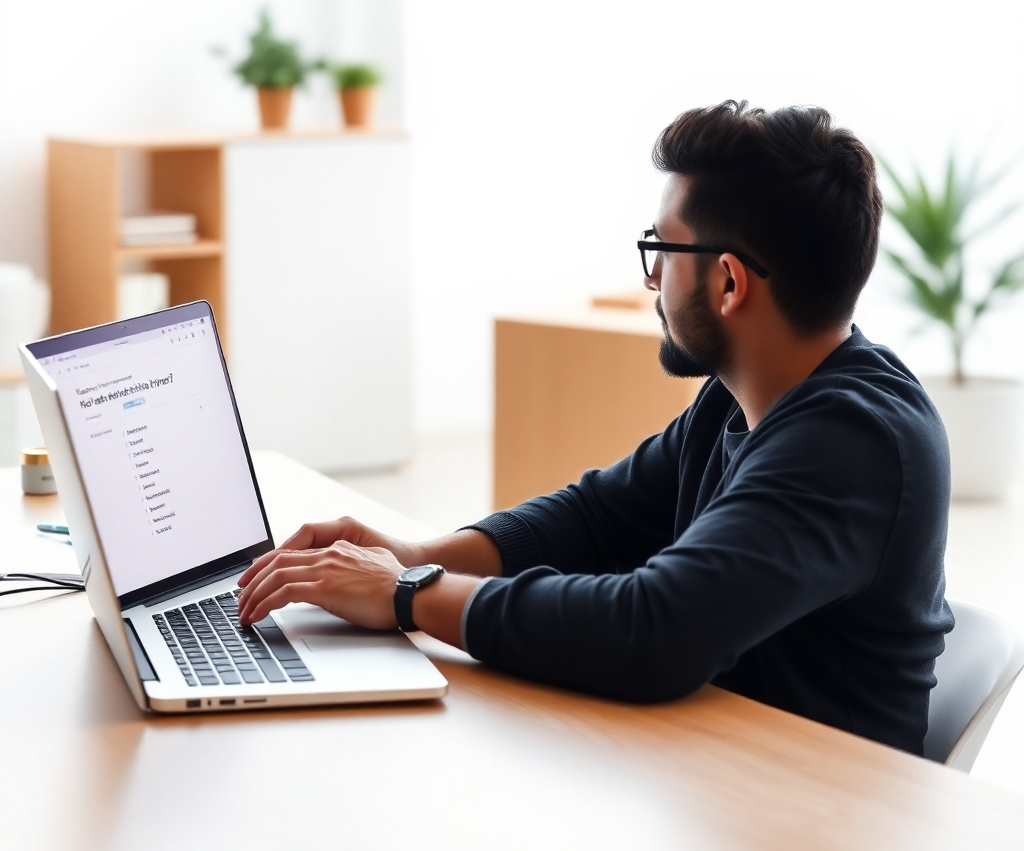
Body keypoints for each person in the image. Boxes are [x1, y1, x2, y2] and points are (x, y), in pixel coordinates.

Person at [238, 100, 953, 755]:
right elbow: (597, 518)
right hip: (720, 774)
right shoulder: (740, 398)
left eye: (661, 252)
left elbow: (654, 630)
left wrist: (407, 593)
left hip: (827, 823)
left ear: (730, 283)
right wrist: (421, 552)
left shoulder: (850, 441)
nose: (652, 282)